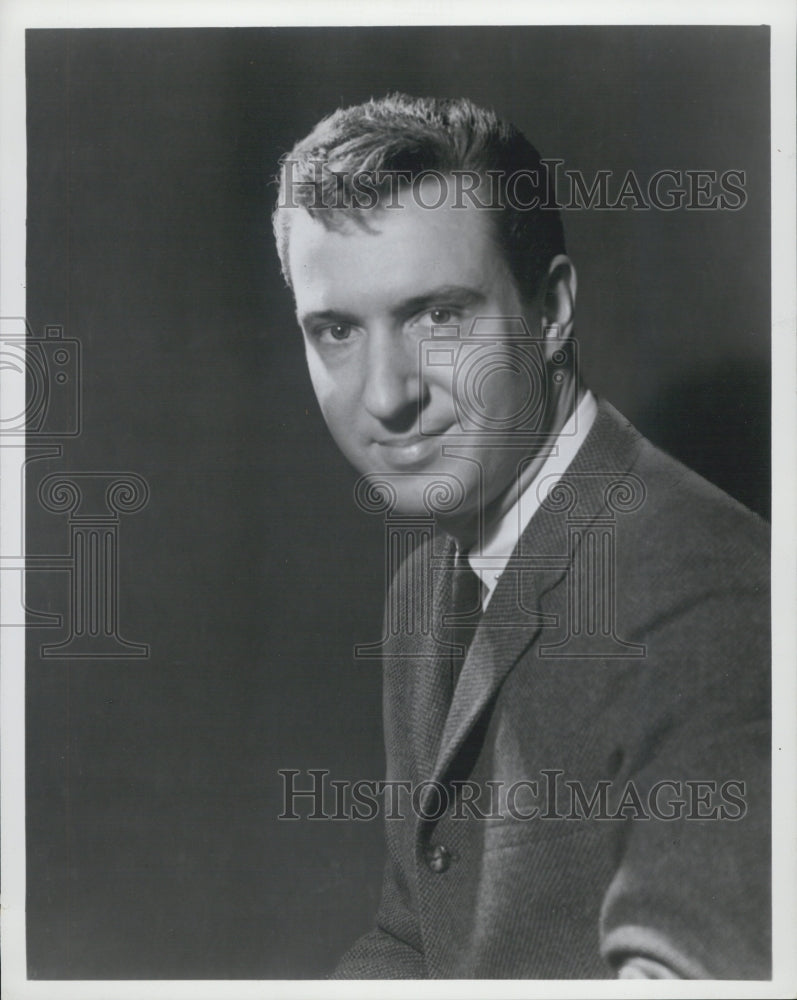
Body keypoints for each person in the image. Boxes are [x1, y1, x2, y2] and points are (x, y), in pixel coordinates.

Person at [272, 94, 770, 979]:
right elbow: (414, 941)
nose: (386, 395)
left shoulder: (710, 590)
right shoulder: (424, 590)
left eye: (438, 316)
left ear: (550, 311)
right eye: (337, 330)